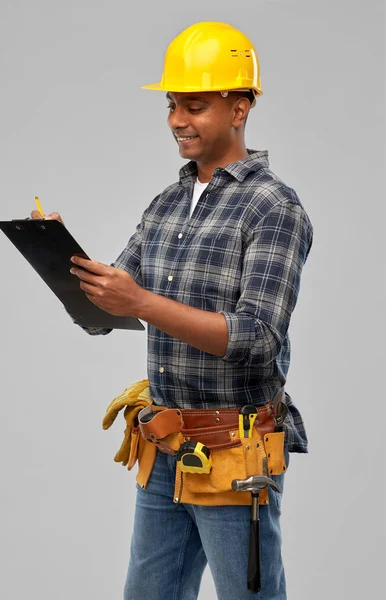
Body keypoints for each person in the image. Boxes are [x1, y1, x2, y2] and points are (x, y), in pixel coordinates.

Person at [32, 21, 313, 600]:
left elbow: (257, 337)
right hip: (164, 450)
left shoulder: (274, 208)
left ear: (239, 107)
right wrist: (65, 262)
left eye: (195, 105)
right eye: (171, 105)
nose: (178, 120)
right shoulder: (165, 205)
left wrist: (139, 302)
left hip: (236, 454)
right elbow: (106, 312)